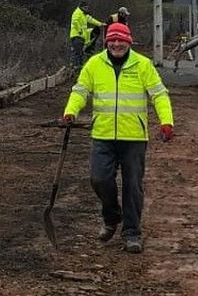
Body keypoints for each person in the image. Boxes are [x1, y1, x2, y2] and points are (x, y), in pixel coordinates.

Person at [61, 22, 174, 254]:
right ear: (106, 42)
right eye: (112, 40)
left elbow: (159, 94)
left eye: (121, 39)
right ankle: (112, 216)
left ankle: (132, 233)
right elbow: (81, 90)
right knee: (99, 178)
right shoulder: (94, 64)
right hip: (103, 134)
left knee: (133, 187)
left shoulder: (142, 65)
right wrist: (71, 110)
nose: (116, 44)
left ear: (129, 41)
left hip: (133, 137)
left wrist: (166, 121)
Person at [68, 3, 103, 69]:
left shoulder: (83, 14)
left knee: (80, 52)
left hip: (81, 36)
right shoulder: (77, 13)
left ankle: (78, 66)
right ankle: (75, 66)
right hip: (76, 35)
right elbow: (75, 22)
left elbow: (91, 19)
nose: (87, 9)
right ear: (82, 7)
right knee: (77, 52)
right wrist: (79, 31)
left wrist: (100, 24)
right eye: (86, 8)